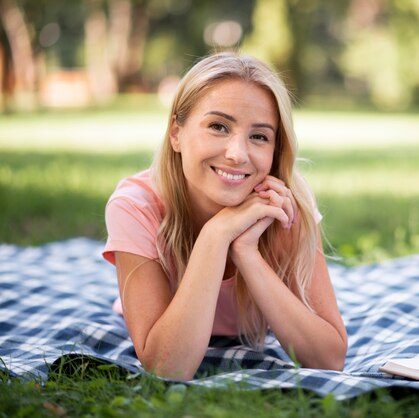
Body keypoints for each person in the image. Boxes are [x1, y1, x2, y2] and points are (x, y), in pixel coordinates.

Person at [102, 52, 347, 380]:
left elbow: (329, 359)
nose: (237, 154)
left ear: (276, 150)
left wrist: (245, 252)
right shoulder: (136, 206)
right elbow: (167, 368)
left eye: (259, 136)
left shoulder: (285, 204)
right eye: (218, 127)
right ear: (177, 133)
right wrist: (217, 235)